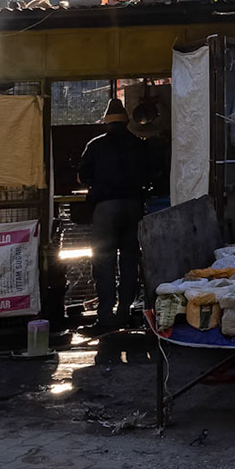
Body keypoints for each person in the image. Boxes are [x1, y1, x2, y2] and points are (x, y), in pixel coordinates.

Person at [78, 98, 156, 330]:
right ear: (126, 121)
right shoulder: (140, 145)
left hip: (105, 208)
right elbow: (152, 174)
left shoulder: (95, 145)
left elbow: (82, 176)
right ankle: (124, 313)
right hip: (133, 207)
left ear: (106, 122)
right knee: (129, 260)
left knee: (104, 261)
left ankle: (105, 317)